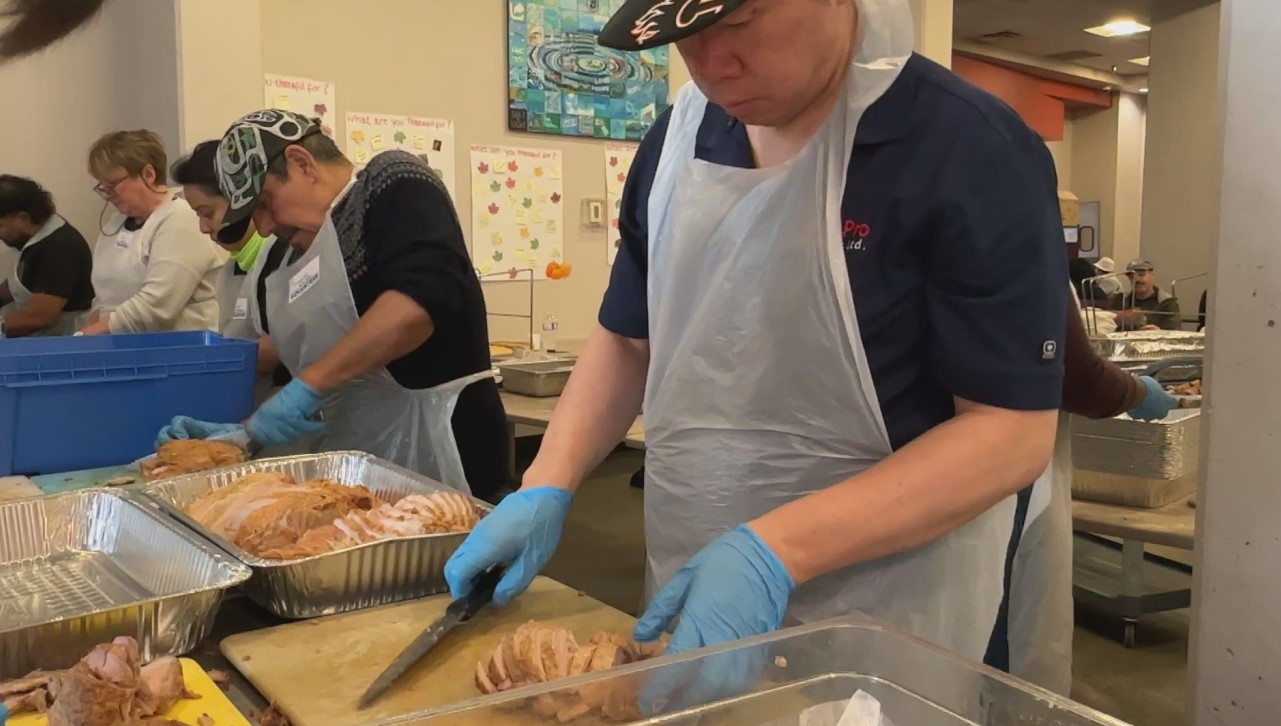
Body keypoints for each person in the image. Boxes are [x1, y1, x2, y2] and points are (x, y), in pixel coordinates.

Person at [446, 0, 1067, 691]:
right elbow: (628, 341)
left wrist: (773, 552)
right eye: (686, 38)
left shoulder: (965, 146)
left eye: (737, 24)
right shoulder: (675, 143)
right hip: (692, 573)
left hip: (887, 596)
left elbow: (1009, 432)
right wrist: (546, 484)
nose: (711, 64)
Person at [157, 111, 510, 502]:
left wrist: (307, 387)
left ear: (302, 164)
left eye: (266, 203)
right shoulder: (283, 258)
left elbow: (421, 303)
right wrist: (244, 433)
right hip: (355, 472)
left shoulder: (392, 182)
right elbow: (314, 376)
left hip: (447, 454)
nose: (265, 227)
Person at [1004, 284, 1178, 694]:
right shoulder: (1019, 235)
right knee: (1014, 634)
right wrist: (1137, 392)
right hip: (1008, 477)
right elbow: (1075, 375)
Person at [171, 140, 290, 402]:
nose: (203, 228)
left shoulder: (286, 257)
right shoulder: (231, 270)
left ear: (242, 201)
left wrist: (218, 359)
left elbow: (291, 343)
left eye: (207, 213)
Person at [81, 130, 227, 335]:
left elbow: (156, 307)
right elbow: (103, 301)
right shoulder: (114, 225)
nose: (107, 195)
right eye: (103, 187)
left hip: (179, 351)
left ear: (148, 174)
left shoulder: (179, 218)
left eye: (113, 185)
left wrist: (88, 336)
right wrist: (84, 337)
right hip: (123, 347)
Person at [0, 175, 94, 336]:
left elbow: (40, 317)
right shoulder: (34, 237)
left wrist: (1, 326)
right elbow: (16, 284)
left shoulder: (61, 248)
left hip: (65, 339)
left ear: (23, 218)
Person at [1116, 259, 1181, 331]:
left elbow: (1175, 333)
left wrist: (1160, 333)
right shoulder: (1121, 300)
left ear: (1152, 275)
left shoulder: (1167, 303)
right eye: (1132, 277)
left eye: (1141, 275)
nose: (1136, 279)